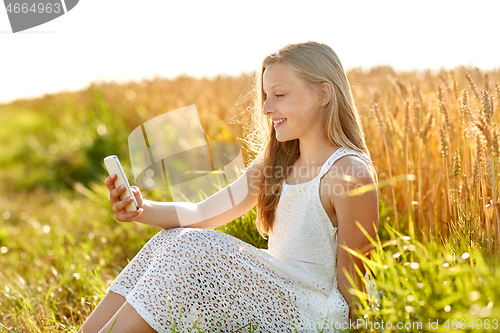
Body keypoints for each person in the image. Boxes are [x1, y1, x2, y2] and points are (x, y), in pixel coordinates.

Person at [77, 41, 379, 333]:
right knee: (168, 242)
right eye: (265, 96)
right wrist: (141, 208)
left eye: (279, 95)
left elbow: (353, 286)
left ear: (323, 94)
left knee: (187, 247)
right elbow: (202, 212)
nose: (266, 108)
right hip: (274, 295)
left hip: (312, 313)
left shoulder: (349, 173)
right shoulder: (275, 164)